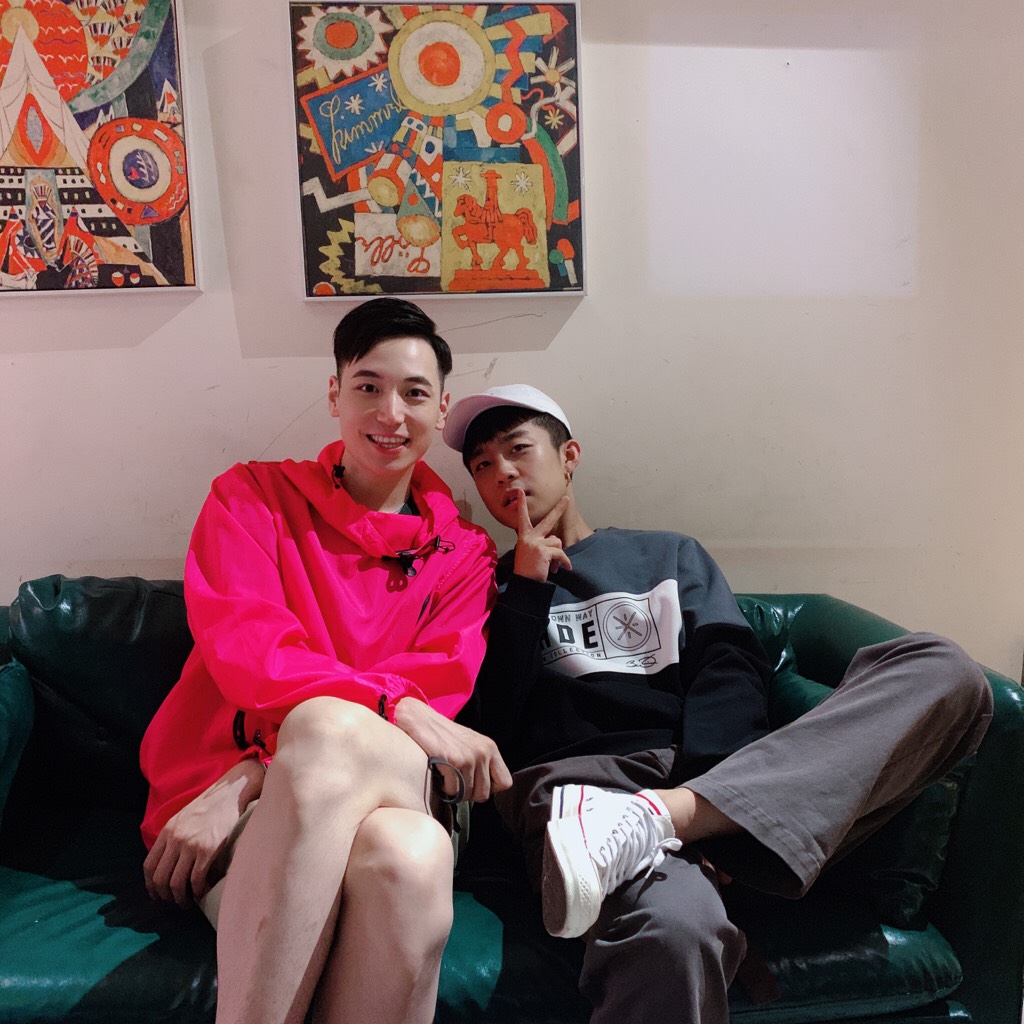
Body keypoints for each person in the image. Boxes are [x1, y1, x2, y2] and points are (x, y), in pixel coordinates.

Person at [442, 384, 993, 1024]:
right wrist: (526, 591)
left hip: (705, 781)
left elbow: (728, 668)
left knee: (946, 670)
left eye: (518, 449)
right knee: (678, 933)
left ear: (569, 457)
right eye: (482, 464)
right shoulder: (484, 586)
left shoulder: (667, 554)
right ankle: (673, 825)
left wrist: (708, 794)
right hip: (579, 802)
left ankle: (670, 816)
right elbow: (490, 729)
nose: (503, 472)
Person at [140, 298, 511, 1024]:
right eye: (369, 387)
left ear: (440, 410)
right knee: (411, 856)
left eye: (414, 393)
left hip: (380, 780)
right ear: (335, 395)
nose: (390, 413)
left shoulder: (465, 555)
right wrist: (390, 704)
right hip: (242, 809)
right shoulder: (251, 499)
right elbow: (253, 656)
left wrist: (256, 773)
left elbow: (433, 700)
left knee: (331, 731)